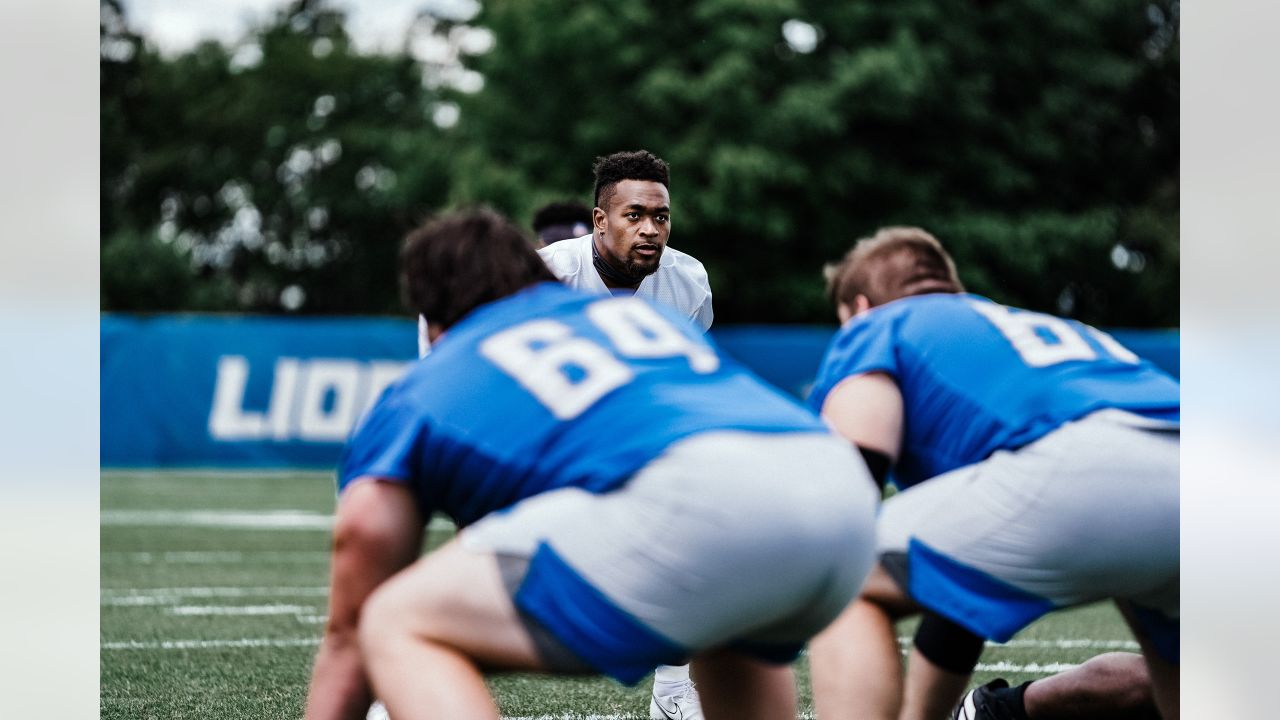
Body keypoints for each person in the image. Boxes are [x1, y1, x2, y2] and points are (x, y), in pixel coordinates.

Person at [303, 210, 879, 720]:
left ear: (431, 317)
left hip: (705, 501)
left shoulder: (436, 373)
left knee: (393, 620)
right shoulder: (642, 320)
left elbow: (362, 550)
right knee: (725, 628)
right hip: (837, 489)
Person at [803, 227, 1179, 720]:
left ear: (859, 307)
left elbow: (858, 474)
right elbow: (959, 587)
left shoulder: (878, 326)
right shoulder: (1031, 329)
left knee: (841, 573)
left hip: (1083, 464)